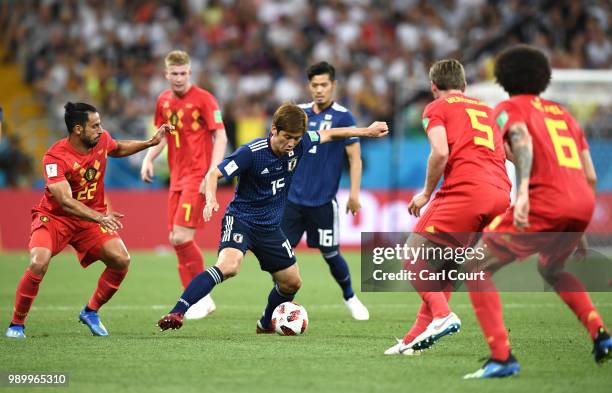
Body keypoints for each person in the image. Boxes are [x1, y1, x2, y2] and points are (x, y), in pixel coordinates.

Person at [156, 103, 388, 333]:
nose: (291, 143)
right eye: (287, 137)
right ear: (274, 129)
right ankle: (177, 311)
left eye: (296, 138)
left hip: (270, 228)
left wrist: (367, 131)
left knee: (292, 282)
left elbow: (332, 133)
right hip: (242, 220)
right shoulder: (251, 152)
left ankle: (266, 323)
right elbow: (215, 173)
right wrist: (211, 199)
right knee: (229, 266)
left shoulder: (301, 144)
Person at [463, 45, 612, 379]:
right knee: (552, 269)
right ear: (544, 78)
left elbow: (520, 138)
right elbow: (589, 174)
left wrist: (524, 191)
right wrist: (580, 226)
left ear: (502, 78)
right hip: (580, 204)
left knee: (475, 266)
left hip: (544, 201)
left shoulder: (508, 107)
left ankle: (501, 358)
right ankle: (601, 335)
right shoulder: (564, 115)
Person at [5, 102, 171, 339]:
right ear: (77, 129)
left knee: (121, 259)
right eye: (95, 126)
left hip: (89, 221)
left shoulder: (100, 140)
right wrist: (100, 217)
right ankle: (16, 324)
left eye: (100, 124)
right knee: (38, 262)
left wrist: (149, 143)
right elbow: (64, 200)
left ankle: (91, 311)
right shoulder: (54, 157)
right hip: (55, 218)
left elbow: (118, 148)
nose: (101, 130)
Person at [384, 59, 511, 355]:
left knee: (412, 255)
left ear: (433, 87)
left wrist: (426, 192)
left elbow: (440, 152)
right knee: (447, 267)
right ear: (465, 87)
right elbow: (509, 152)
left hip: (467, 190)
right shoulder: (488, 110)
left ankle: (442, 316)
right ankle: (412, 340)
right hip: (501, 194)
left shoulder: (437, 108)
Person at [141, 50, 228, 320]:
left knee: (181, 237)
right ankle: (196, 296)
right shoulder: (163, 101)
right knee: (174, 239)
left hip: (197, 176)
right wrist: (148, 157)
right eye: (174, 74)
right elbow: (162, 136)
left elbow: (221, 136)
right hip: (176, 178)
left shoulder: (204, 99)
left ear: (189, 73)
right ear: (166, 74)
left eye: (183, 73)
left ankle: (202, 297)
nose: (178, 78)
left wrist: (212, 172)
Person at [281, 61, 369, 320]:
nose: (319, 90)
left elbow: (355, 158)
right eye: (315, 85)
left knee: (331, 254)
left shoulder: (344, 116)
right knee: (282, 255)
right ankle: (281, 305)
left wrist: (354, 194)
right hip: (293, 200)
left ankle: (350, 296)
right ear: (309, 86)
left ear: (333, 86)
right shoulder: (300, 115)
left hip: (323, 202)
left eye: (324, 85)